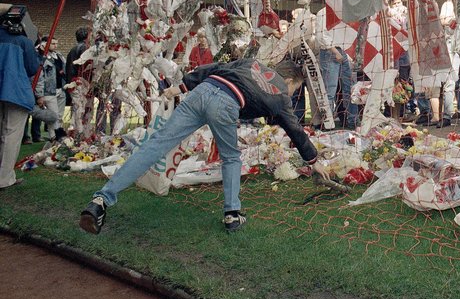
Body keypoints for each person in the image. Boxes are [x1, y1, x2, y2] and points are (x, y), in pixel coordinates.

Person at [79, 57, 329, 234]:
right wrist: (313, 161)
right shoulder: (281, 94)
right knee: (231, 158)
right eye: (295, 89)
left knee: (154, 145)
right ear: (289, 79)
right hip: (226, 103)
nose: (291, 93)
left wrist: (181, 86)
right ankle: (232, 215)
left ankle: (100, 200)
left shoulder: (251, 63)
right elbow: (295, 130)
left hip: (202, 92)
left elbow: (216, 67)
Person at [0, 5, 40, 190]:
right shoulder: (24, 42)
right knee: (11, 135)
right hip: (15, 93)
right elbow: (32, 68)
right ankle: (4, 178)